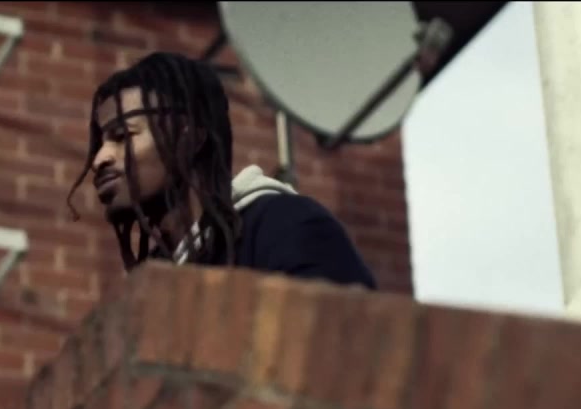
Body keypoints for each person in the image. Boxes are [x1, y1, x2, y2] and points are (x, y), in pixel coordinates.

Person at [67, 51, 377, 288]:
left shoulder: (282, 227)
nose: (99, 159)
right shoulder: (152, 286)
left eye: (122, 136)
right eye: (100, 144)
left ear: (189, 138)